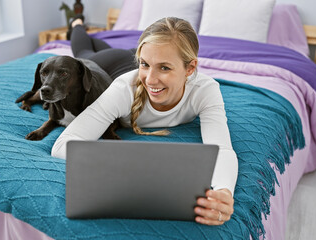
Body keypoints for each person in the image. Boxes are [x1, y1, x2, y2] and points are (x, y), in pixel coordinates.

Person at [52, 17, 238, 226]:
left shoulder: (205, 90)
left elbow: (222, 149)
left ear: (190, 68)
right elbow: (61, 145)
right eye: (145, 64)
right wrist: (120, 163)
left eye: (165, 68)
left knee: (111, 53)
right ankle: (77, 25)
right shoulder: (123, 90)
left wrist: (224, 191)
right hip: (113, 64)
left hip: (129, 58)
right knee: (86, 54)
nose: (150, 79)